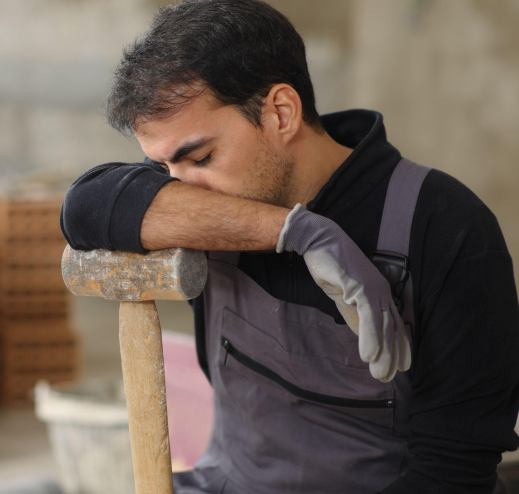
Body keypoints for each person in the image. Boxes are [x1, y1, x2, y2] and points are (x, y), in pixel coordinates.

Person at [59, 1, 519, 492]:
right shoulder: (202, 198)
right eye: (165, 169)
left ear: (281, 112)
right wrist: (298, 231)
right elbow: (85, 207)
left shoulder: (445, 226)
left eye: (201, 157)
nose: (181, 190)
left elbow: (451, 470)